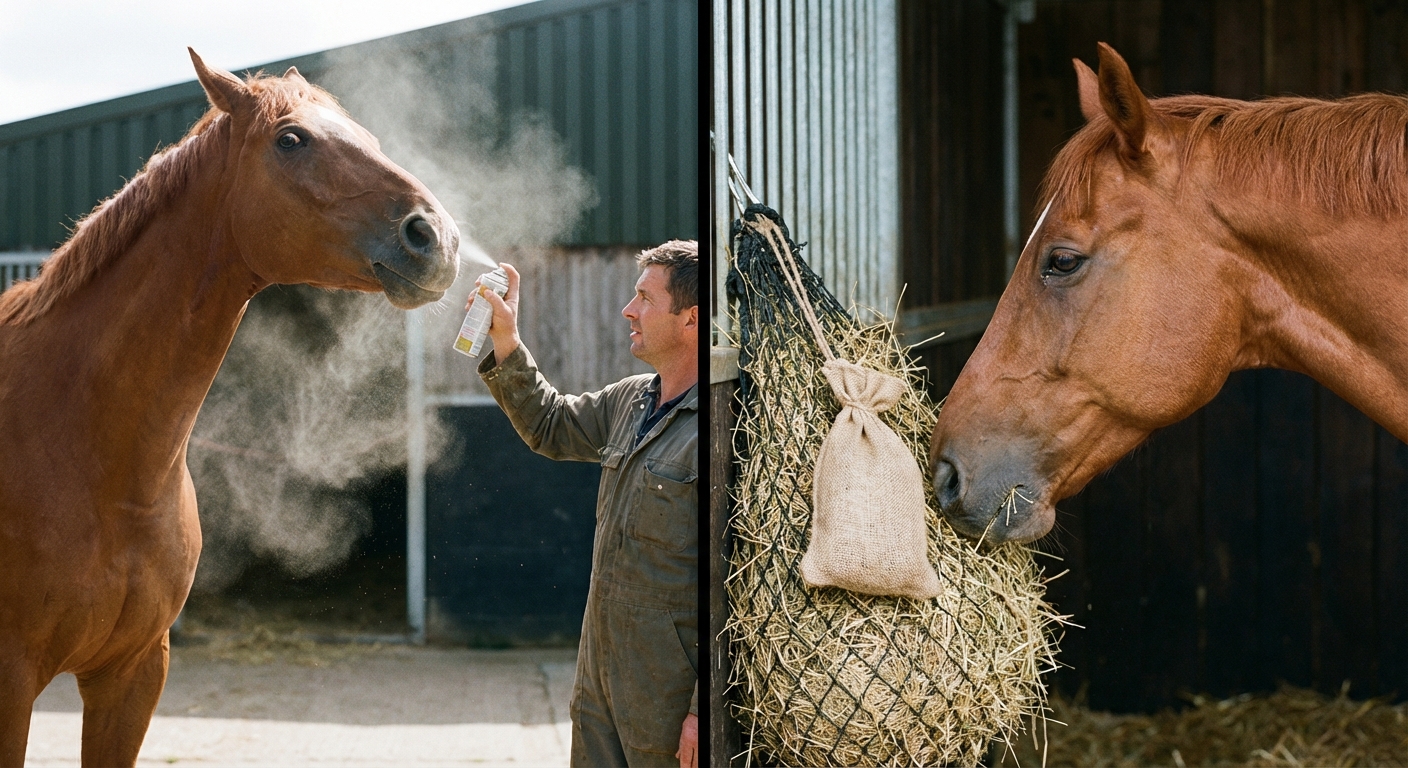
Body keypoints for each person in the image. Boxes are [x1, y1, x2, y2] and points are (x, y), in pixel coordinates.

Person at [468, 240, 699, 768]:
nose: (628, 310)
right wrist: (508, 342)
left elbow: (733, 583)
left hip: (665, 700)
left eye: (645, 298)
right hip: (599, 682)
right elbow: (550, 425)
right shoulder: (629, 400)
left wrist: (701, 709)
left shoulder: (721, 429)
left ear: (690, 319)